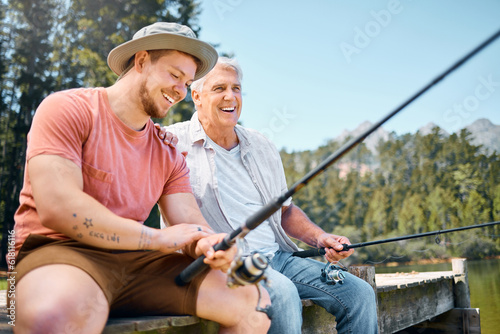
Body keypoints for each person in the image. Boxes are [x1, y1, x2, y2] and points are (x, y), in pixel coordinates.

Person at [11, 23, 271, 334]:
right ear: (141, 60)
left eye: (187, 82)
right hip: (62, 252)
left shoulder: (169, 153)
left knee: (253, 303)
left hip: (136, 264)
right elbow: (59, 207)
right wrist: (156, 239)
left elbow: (189, 222)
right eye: (175, 76)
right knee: (56, 318)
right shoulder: (68, 109)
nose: (180, 90)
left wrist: (209, 242)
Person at [160, 57, 379, 334]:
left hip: (278, 258)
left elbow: (285, 211)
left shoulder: (261, 144)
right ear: (197, 96)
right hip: (223, 265)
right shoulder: (169, 141)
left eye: (236, 88)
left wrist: (320, 238)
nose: (231, 97)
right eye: (219, 88)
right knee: (283, 294)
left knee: (359, 293)